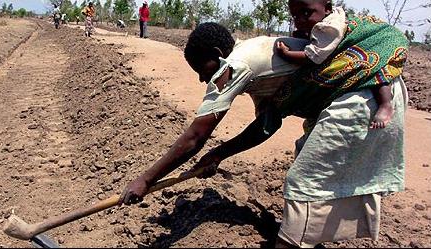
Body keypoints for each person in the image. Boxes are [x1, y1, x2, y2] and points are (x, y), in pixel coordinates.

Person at [119, 20, 408, 247]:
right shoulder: (255, 63)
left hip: (364, 95)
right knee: (308, 166)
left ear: (217, 56)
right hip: (359, 95)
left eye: (201, 68)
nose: (201, 78)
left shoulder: (235, 65)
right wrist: (218, 155)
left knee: (304, 179)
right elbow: (266, 126)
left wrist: (145, 179)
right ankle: (308, 237)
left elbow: (196, 135)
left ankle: (290, 243)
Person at [276, 0, 394, 129]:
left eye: (305, 12)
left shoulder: (329, 27)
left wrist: (286, 54)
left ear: (327, 9)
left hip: (380, 39)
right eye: (295, 16)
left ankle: (385, 104)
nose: (300, 20)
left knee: (372, 67)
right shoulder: (322, 19)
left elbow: (313, 57)